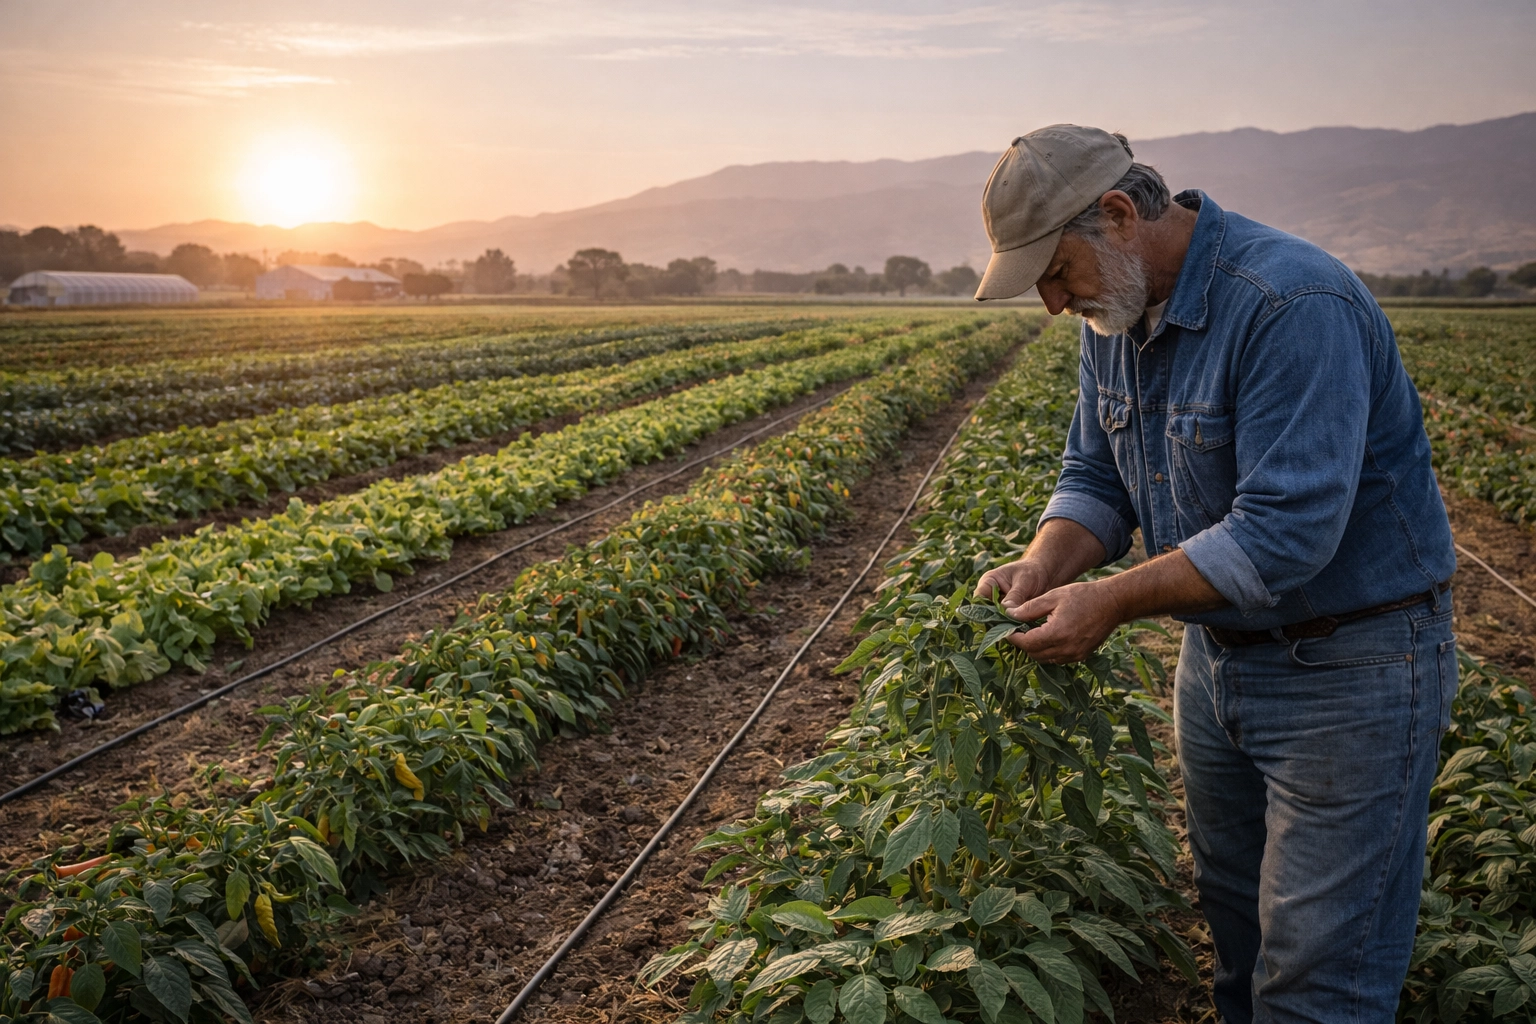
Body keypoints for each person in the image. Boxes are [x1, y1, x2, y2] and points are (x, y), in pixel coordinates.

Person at [970, 124, 1458, 1023]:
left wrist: (1109, 601)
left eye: (1054, 271)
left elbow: (1284, 535)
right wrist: (1044, 566)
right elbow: (1096, 477)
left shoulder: (1289, 302)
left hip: (1354, 669)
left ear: (1117, 215)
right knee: (1237, 936)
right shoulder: (1115, 314)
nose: (1049, 302)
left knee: (1317, 977)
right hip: (1220, 662)